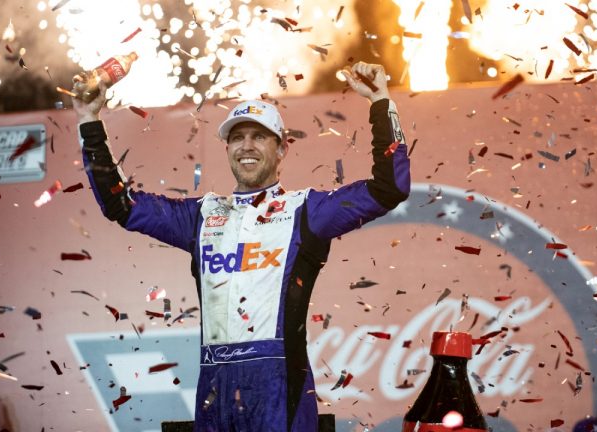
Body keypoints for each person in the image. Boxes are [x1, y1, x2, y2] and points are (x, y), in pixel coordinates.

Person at [73, 62, 410, 431]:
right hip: (215, 385)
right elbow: (121, 205)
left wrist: (380, 100)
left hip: (279, 384)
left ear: (282, 148)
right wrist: (89, 119)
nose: (246, 146)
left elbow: (388, 188)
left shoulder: (307, 210)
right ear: (228, 147)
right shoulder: (200, 215)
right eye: (237, 137)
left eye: (259, 136)